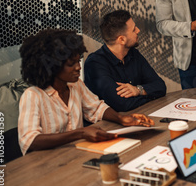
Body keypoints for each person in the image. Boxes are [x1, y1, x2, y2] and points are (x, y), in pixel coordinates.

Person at [18, 29, 154, 155]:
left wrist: (121, 118)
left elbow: (96, 107)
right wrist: (81, 133)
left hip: (76, 156)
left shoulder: (76, 85)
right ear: (53, 66)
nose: (78, 67)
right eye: (71, 64)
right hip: (46, 165)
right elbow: (30, 141)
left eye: (78, 61)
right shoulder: (33, 95)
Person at [84, 10, 166, 112]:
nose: (138, 30)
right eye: (133, 30)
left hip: (138, 116)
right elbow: (123, 105)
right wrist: (150, 95)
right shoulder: (95, 64)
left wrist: (138, 90)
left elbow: (161, 86)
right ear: (121, 40)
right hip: (107, 126)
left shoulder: (133, 54)